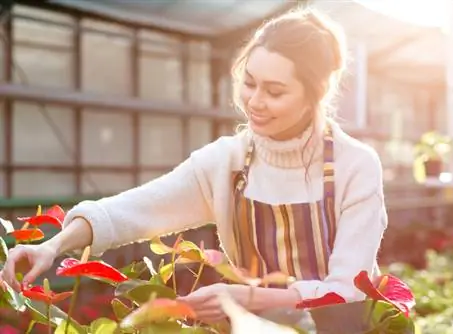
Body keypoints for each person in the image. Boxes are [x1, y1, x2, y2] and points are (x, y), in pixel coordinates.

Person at [0, 7, 388, 325]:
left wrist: (246, 296)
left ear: (314, 96)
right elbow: (134, 209)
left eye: (275, 91)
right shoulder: (228, 162)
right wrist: (53, 246)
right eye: (249, 82)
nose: (254, 101)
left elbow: (348, 289)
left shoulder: (355, 166)